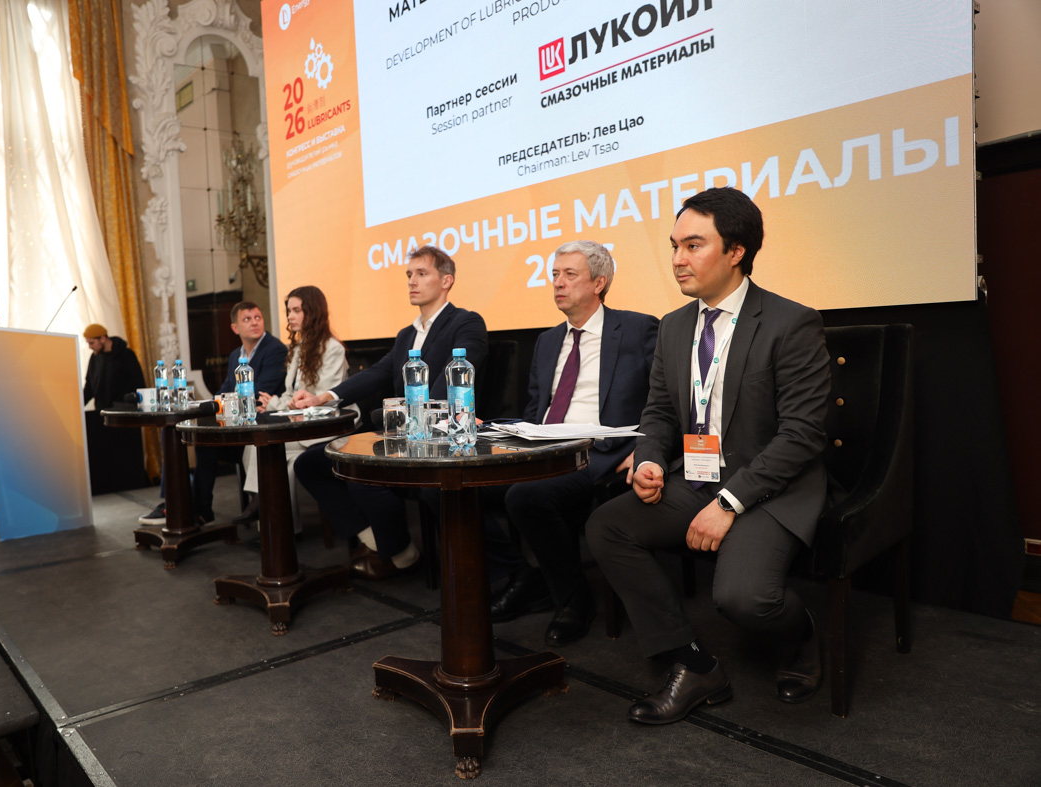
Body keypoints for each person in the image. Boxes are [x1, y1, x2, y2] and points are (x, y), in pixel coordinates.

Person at [586, 187, 832, 724]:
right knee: (608, 526)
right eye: (674, 246)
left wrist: (728, 503)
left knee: (746, 599)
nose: (678, 259)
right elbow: (658, 413)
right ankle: (694, 664)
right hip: (696, 476)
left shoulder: (791, 323)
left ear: (736, 250)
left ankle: (802, 633)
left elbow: (802, 435)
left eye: (693, 245)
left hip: (769, 486)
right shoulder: (674, 326)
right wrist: (650, 459)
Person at [487, 240, 658, 646]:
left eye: (569, 274)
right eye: (554, 275)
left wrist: (647, 449)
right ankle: (525, 577)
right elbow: (536, 410)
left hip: (599, 451)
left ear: (599, 283)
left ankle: (573, 599)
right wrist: (502, 431)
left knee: (525, 497)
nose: (557, 283)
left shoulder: (638, 329)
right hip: (543, 446)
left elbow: (664, 399)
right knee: (456, 487)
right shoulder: (548, 341)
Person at [292, 244, 488, 579]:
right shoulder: (406, 335)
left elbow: (455, 378)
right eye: (409, 274)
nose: (412, 281)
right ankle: (389, 546)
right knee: (310, 463)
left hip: (442, 436)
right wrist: (323, 396)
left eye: (421, 273)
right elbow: (377, 373)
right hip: (403, 433)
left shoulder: (465, 322)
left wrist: (421, 416)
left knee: (363, 476)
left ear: (446, 281)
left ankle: (395, 552)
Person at [137, 302, 287, 525]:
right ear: (235, 327)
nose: (254, 322)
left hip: (260, 427)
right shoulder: (236, 355)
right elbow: (224, 390)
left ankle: (193, 509)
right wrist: (211, 405)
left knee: (205, 442)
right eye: (247, 319)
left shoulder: (275, 349)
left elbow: (260, 392)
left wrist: (223, 402)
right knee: (194, 438)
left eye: (258, 317)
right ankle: (186, 507)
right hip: (236, 423)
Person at [235, 286, 349, 529]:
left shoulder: (333, 348)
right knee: (256, 445)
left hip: (325, 426)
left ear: (313, 312)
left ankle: (265, 512)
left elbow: (326, 397)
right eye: (289, 311)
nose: (290, 316)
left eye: (296, 310)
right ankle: (275, 521)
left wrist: (290, 402)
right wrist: (274, 403)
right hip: (299, 421)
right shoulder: (298, 349)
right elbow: (291, 393)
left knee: (264, 446)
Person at [82, 323, 146, 409]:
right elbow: (89, 388)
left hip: (123, 411)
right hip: (102, 411)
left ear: (103, 338)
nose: (90, 347)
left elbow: (139, 383)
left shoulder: (126, 354)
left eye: (92, 343)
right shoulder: (94, 358)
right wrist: (77, 405)